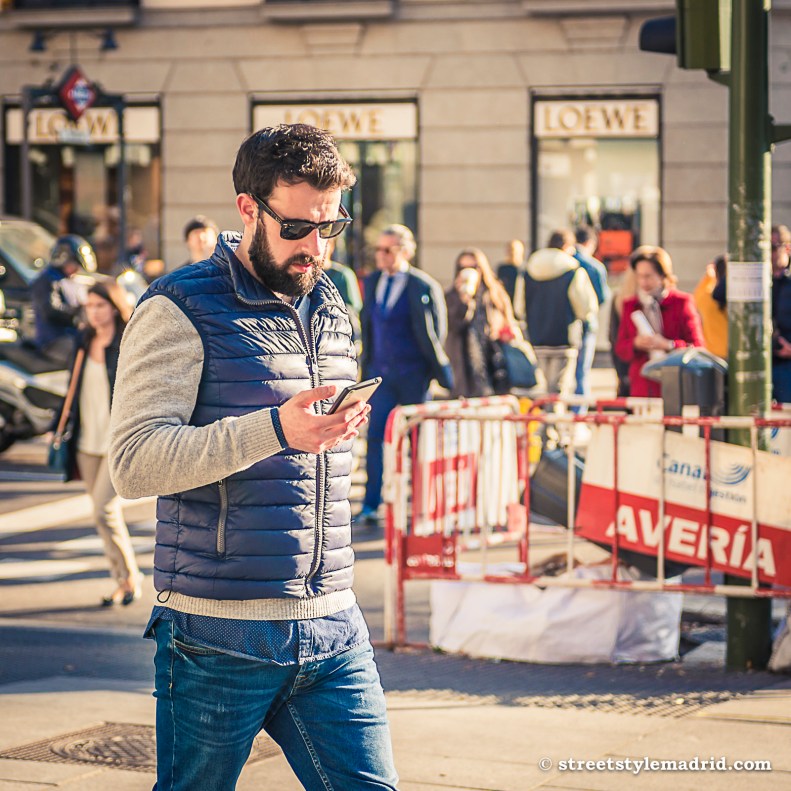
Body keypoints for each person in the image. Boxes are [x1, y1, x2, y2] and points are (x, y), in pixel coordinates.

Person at [108, 124, 398, 791]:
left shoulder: (329, 300)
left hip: (333, 623)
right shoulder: (179, 306)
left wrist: (334, 427)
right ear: (248, 208)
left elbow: (304, 443)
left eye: (330, 227)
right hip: (217, 634)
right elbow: (133, 463)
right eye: (296, 227)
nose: (314, 246)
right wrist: (276, 429)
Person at [358, 224, 453, 524]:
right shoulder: (373, 281)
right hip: (381, 376)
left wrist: (434, 372)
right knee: (375, 438)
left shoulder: (423, 286)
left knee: (417, 441)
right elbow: (369, 325)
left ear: (406, 251)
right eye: (378, 249)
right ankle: (371, 504)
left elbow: (437, 333)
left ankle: (422, 505)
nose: (380, 255)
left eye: (387, 250)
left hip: (414, 376)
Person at [60, 281, 142, 607]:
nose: (93, 312)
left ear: (114, 306)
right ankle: (121, 579)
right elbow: (73, 386)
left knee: (103, 510)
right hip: (86, 441)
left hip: (116, 442)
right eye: (89, 306)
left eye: (100, 305)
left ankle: (129, 577)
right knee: (102, 515)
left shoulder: (127, 341)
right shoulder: (83, 339)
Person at [614, 245, 705, 397]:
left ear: (663, 276)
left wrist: (668, 345)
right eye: (639, 276)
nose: (643, 281)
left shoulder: (681, 302)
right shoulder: (631, 305)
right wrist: (636, 343)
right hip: (642, 385)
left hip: (675, 383)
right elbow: (620, 347)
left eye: (648, 276)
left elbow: (697, 346)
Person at [519, 229, 598, 397]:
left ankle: (545, 413)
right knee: (560, 387)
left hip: (536, 336)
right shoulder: (573, 270)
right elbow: (586, 307)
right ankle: (555, 413)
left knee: (541, 387)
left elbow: (519, 307)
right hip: (565, 336)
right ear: (566, 246)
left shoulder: (528, 270)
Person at [445, 247, 523, 398]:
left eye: (473, 267)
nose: (468, 271)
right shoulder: (452, 296)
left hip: (494, 360)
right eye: (462, 268)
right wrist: (464, 300)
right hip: (464, 364)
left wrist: (506, 332)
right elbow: (452, 326)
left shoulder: (495, 293)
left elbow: (509, 322)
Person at [31, 234, 95, 366]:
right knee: (84, 356)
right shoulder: (46, 281)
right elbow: (51, 311)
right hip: (53, 341)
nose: (77, 270)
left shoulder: (70, 280)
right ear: (62, 259)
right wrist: (77, 312)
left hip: (71, 336)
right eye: (75, 264)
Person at [572, 226, 610, 412]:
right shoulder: (595, 266)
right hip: (587, 323)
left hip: (566, 324)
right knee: (582, 371)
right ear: (591, 243)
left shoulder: (567, 262)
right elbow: (602, 297)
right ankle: (579, 413)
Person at [323, 237, 363, 341]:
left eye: (324, 243)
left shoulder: (343, 275)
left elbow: (353, 312)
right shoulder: (304, 276)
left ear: (331, 246)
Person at [608, 266, 637, 397]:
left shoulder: (619, 297)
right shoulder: (627, 300)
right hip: (632, 357)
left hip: (623, 360)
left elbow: (613, 335)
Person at [693, 254, 728, 359]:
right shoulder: (734, 300)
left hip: (711, 353)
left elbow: (697, 293)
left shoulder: (705, 297)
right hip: (731, 351)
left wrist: (709, 276)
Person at [772, 224, 791, 403]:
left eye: (773, 247)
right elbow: (719, 294)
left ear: (787, 248)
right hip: (764, 362)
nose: (769, 254)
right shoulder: (761, 280)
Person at [496, 238, 525, 306]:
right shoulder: (502, 269)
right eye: (509, 250)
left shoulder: (525, 269)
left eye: (514, 250)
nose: (512, 253)